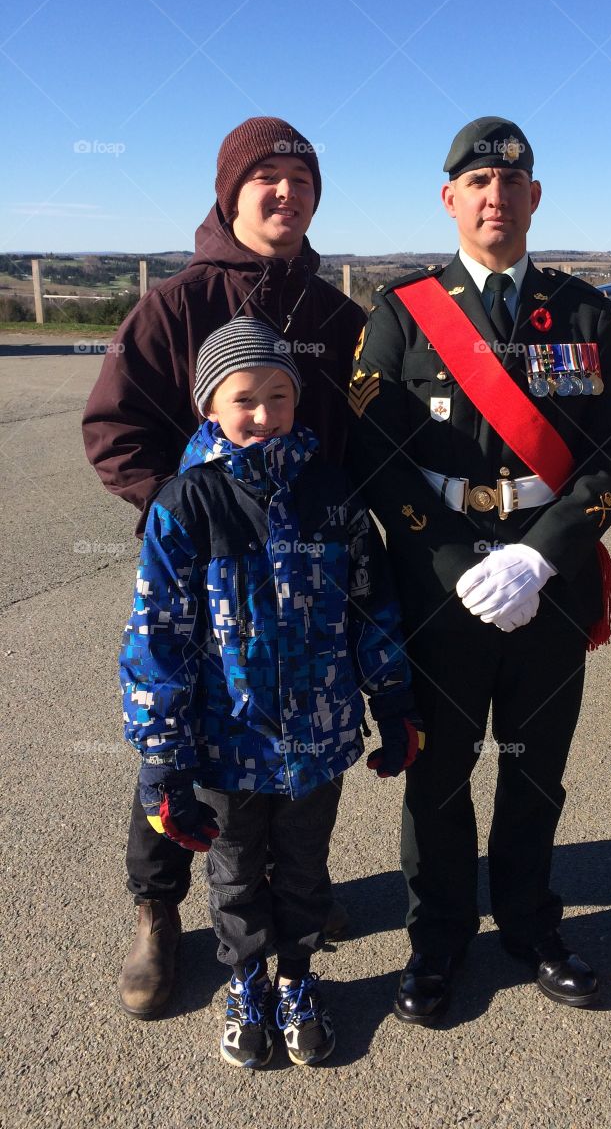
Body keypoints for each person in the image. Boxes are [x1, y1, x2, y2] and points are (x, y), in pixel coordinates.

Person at [348, 117, 611, 1024]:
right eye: (476, 183)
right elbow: (375, 453)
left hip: (546, 586)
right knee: (439, 774)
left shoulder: (586, 312)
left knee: (537, 767)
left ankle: (528, 923)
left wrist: (538, 557)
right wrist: (448, 562)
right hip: (437, 590)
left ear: (534, 198)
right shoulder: (402, 312)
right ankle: (437, 939)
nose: (494, 197)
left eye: (511, 184)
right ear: (450, 200)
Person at [82, 117, 366, 1021]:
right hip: (202, 583)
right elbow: (113, 430)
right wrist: (184, 514)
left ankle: (288, 906)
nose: (286, 193)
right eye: (267, 178)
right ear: (230, 193)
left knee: (292, 737)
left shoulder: (337, 315)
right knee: (178, 738)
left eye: (302, 179)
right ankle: (158, 912)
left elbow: (368, 437)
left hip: (307, 580)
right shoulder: (176, 304)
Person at [121, 317, 421, 1067]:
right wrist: (163, 757)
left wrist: (392, 699)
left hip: (316, 739)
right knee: (232, 873)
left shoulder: (330, 492)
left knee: (304, 868)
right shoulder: (185, 503)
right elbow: (157, 638)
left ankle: (296, 977)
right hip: (226, 746)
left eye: (279, 396)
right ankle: (246, 979)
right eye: (244, 398)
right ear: (210, 407)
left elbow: (369, 603)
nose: (264, 413)